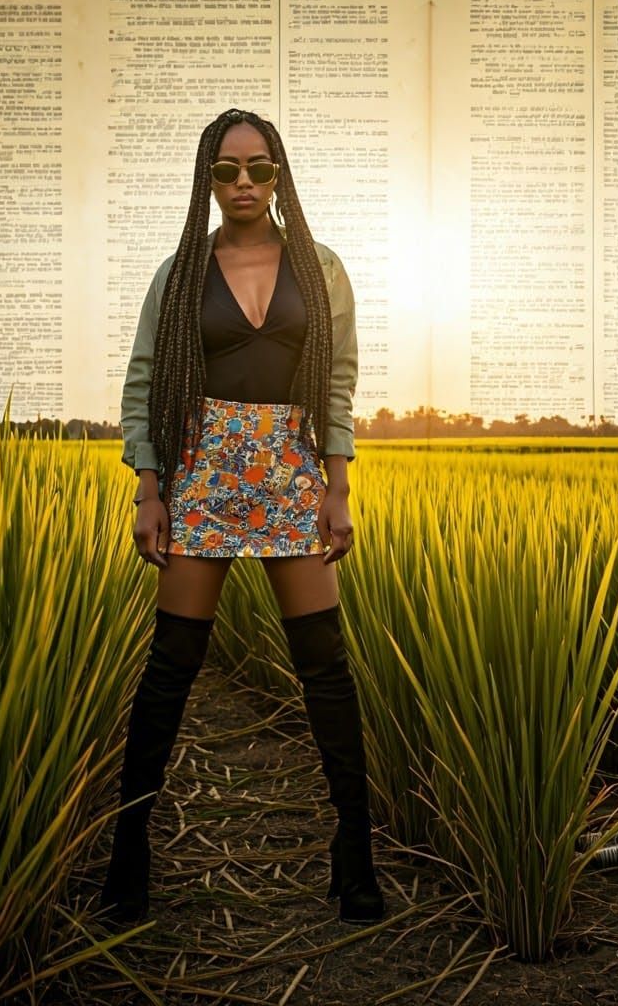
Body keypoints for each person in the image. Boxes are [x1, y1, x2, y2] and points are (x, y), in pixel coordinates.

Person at [100, 108, 384, 927]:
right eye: (227, 171)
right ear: (208, 180)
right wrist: (149, 489)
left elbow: (338, 382)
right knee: (170, 673)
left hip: (292, 473)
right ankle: (131, 854)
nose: (245, 184)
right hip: (203, 476)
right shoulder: (181, 271)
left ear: (280, 174)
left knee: (327, 673)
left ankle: (353, 855)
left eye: (259, 168)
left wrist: (338, 485)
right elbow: (144, 380)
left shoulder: (320, 266)